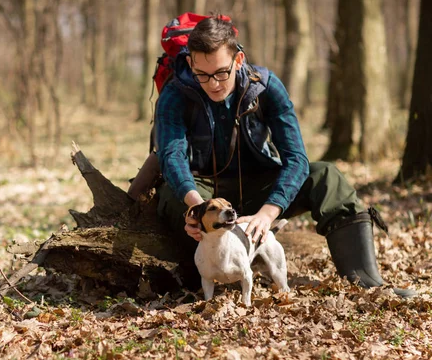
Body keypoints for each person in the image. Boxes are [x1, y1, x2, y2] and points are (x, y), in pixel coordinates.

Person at [154, 15, 415, 298]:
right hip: (205, 192)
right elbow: (171, 155)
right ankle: (199, 276)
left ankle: (367, 281)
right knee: (170, 194)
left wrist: (269, 212)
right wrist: (197, 207)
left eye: (221, 73)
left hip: (261, 188)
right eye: (202, 75)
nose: (213, 84)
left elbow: (296, 158)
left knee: (326, 176)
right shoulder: (174, 95)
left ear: (238, 60)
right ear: (190, 63)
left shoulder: (265, 87)